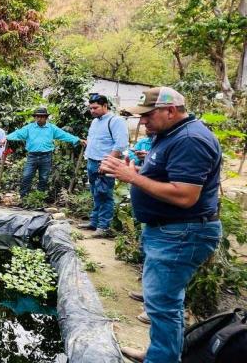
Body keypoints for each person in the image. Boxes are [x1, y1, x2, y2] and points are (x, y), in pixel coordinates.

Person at [100, 87, 222, 363]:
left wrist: (132, 178)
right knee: (162, 302)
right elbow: (169, 177)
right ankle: (160, 352)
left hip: (181, 233)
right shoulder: (170, 134)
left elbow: (185, 195)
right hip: (170, 231)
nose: (143, 121)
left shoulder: (190, 140)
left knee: (162, 304)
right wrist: (139, 171)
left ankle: (162, 359)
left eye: (148, 115)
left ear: (171, 111)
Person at [4, 107, 86, 198]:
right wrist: (6, 138)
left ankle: (39, 198)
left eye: (41, 116)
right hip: (32, 156)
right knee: (27, 176)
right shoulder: (29, 128)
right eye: (37, 116)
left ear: (46, 117)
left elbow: (64, 135)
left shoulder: (52, 128)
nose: (39, 118)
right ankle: (24, 197)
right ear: (35, 117)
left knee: (43, 178)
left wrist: (78, 140)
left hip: (46, 156)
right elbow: (18, 133)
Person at [84, 94, 129, 238]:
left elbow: (120, 145)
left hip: (104, 163)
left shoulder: (115, 121)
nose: (92, 111)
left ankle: (103, 227)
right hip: (92, 162)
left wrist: (108, 163)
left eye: (95, 108)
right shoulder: (95, 122)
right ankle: (94, 222)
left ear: (105, 106)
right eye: (91, 108)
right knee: (95, 193)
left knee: (104, 194)